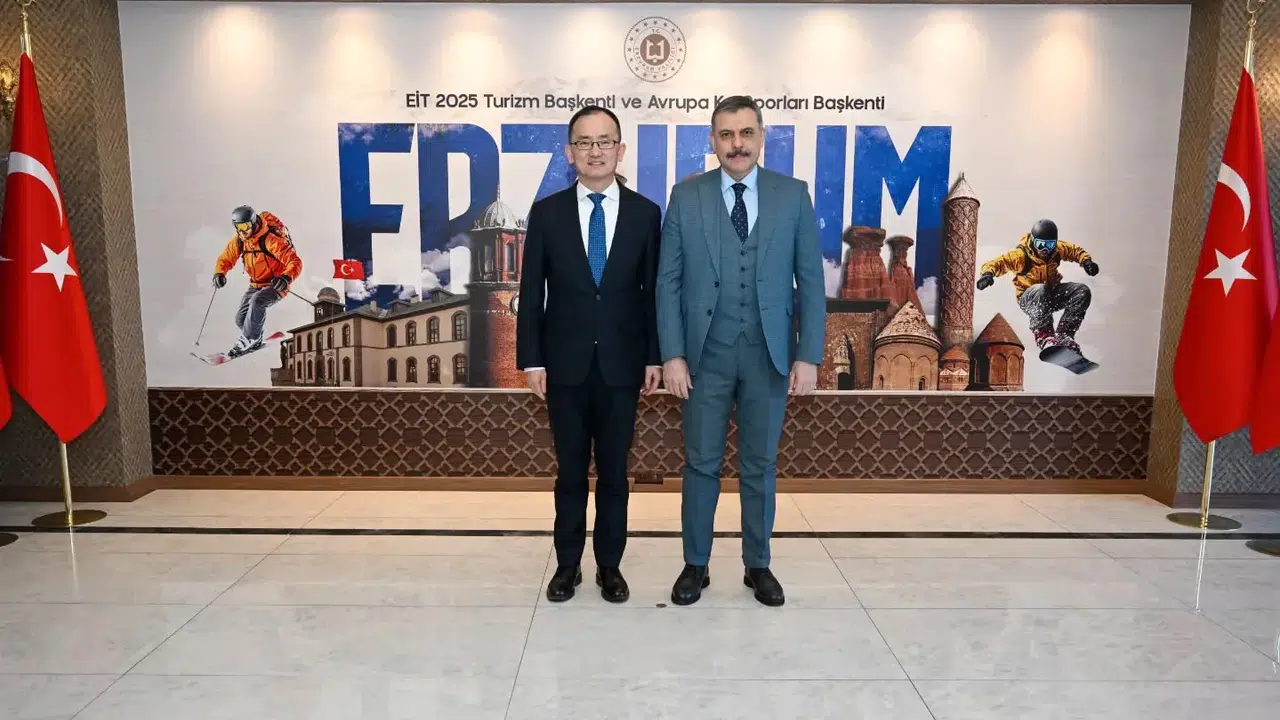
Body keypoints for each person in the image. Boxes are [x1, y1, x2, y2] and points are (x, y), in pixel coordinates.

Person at [656, 95, 824, 607]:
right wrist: (672, 355)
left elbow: (811, 282)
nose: (736, 144)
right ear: (712, 140)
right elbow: (668, 282)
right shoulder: (686, 196)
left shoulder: (792, 195)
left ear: (761, 137)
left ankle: (758, 564)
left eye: (746, 133)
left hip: (768, 355)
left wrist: (809, 355)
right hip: (703, 358)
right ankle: (696, 564)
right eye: (726, 134)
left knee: (760, 464)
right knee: (700, 464)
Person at [516, 105, 663, 603]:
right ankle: (567, 566)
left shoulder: (645, 213)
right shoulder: (547, 213)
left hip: (623, 365)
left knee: (616, 474)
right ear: (569, 152)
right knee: (571, 474)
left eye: (604, 141)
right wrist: (532, 359)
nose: (594, 151)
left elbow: (652, 294)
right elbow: (531, 291)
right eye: (584, 142)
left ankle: (610, 567)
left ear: (621, 150)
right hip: (564, 365)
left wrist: (655, 357)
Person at [976, 218, 1099, 354]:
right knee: (1040, 288)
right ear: (1033, 241)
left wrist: (1086, 261)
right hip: (1029, 298)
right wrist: (987, 274)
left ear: (1055, 243)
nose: (1044, 250)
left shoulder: (1058, 250)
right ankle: (1044, 335)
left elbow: (1074, 251)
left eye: (1049, 245)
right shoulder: (1021, 256)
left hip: (1050, 295)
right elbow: (1000, 263)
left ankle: (1064, 335)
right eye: (1040, 244)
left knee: (1082, 291)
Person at [211, 205, 302, 357]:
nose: (242, 231)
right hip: (256, 284)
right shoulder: (240, 240)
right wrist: (219, 273)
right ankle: (255, 336)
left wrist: (286, 278)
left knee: (257, 301)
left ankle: (251, 338)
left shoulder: (270, 240)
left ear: (253, 223)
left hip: (276, 284)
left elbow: (294, 261)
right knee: (240, 319)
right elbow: (226, 257)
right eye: (238, 227)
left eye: (245, 226)